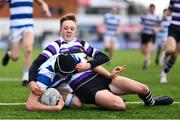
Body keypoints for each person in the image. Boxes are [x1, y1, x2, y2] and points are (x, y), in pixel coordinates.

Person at [28, 13, 173, 111]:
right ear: (60, 31)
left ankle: (151, 102)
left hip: (99, 76)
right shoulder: (55, 46)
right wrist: (31, 82)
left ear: (76, 31)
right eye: (65, 28)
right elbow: (36, 63)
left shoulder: (81, 44)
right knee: (120, 105)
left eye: (72, 28)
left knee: (143, 88)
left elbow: (103, 57)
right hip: (83, 86)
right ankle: (109, 99)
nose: (68, 31)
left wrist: (92, 67)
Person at [0, 0, 51, 86]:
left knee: (28, 49)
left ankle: (26, 76)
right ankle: (9, 54)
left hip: (28, 25)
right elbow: (1, 6)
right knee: (15, 57)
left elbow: (42, 2)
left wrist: (45, 8)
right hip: (15, 27)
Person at [160, 0, 180, 83]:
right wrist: (165, 15)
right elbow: (169, 10)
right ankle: (165, 55)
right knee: (171, 50)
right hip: (173, 28)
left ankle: (164, 74)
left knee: (174, 56)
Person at [140, 4, 161, 70]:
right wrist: (141, 28)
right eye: (151, 8)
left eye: (153, 8)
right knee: (143, 50)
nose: (152, 9)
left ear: (154, 9)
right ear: (149, 8)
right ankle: (148, 57)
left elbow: (160, 26)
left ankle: (146, 61)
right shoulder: (144, 16)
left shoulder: (157, 17)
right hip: (144, 34)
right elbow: (141, 24)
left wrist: (157, 29)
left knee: (148, 49)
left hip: (152, 34)